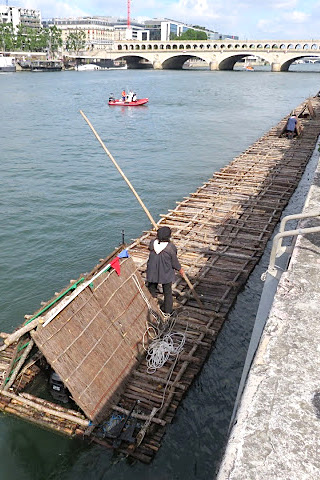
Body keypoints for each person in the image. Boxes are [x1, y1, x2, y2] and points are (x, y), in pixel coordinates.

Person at [146, 226, 184, 315]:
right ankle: (168, 311)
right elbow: (174, 262)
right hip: (165, 273)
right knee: (167, 292)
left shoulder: (152, 243)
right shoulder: (170, 247)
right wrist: (180, 269)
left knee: (151, 289)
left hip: (152, 271)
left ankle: (150, 303)